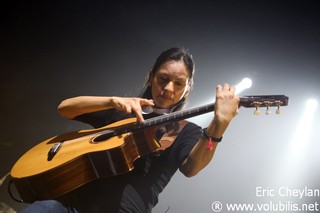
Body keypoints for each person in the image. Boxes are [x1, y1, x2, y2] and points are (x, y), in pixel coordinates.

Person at [20, 47, 239, 213]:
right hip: (67, 204)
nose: (169, 89)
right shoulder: (124, 111)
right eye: (163, 79)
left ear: (188, 87)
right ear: (151, 75)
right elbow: (65, 108)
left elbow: (192, 168)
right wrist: (113, 101)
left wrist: (218, 127)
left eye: (179, 83)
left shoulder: (187, 131)